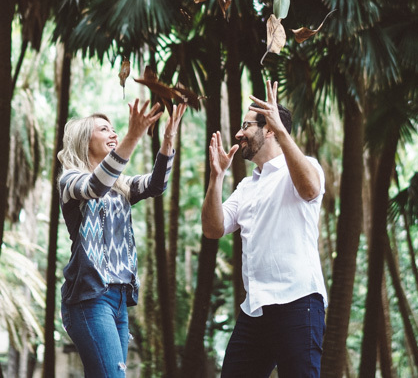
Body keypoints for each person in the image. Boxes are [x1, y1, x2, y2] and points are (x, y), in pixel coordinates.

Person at [202, 79, 327, 377]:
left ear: (269, 129)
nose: (238, 133)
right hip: (255, 310)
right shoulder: (246, 186)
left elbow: (310, 190)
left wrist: (282, 131)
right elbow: (213, 229)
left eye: (246, 126)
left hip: (298, 302)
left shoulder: (304, 166)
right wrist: (216, 177)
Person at [59, 99, 187, 377]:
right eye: (104, 129)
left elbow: (156, 184)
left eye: (114, 129)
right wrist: (133, 135)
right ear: (84, 140)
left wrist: (168, 139)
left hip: (119, 300)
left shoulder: (121, 186)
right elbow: (95, 186)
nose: (113, 134)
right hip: (89, 298)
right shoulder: (70, 181)